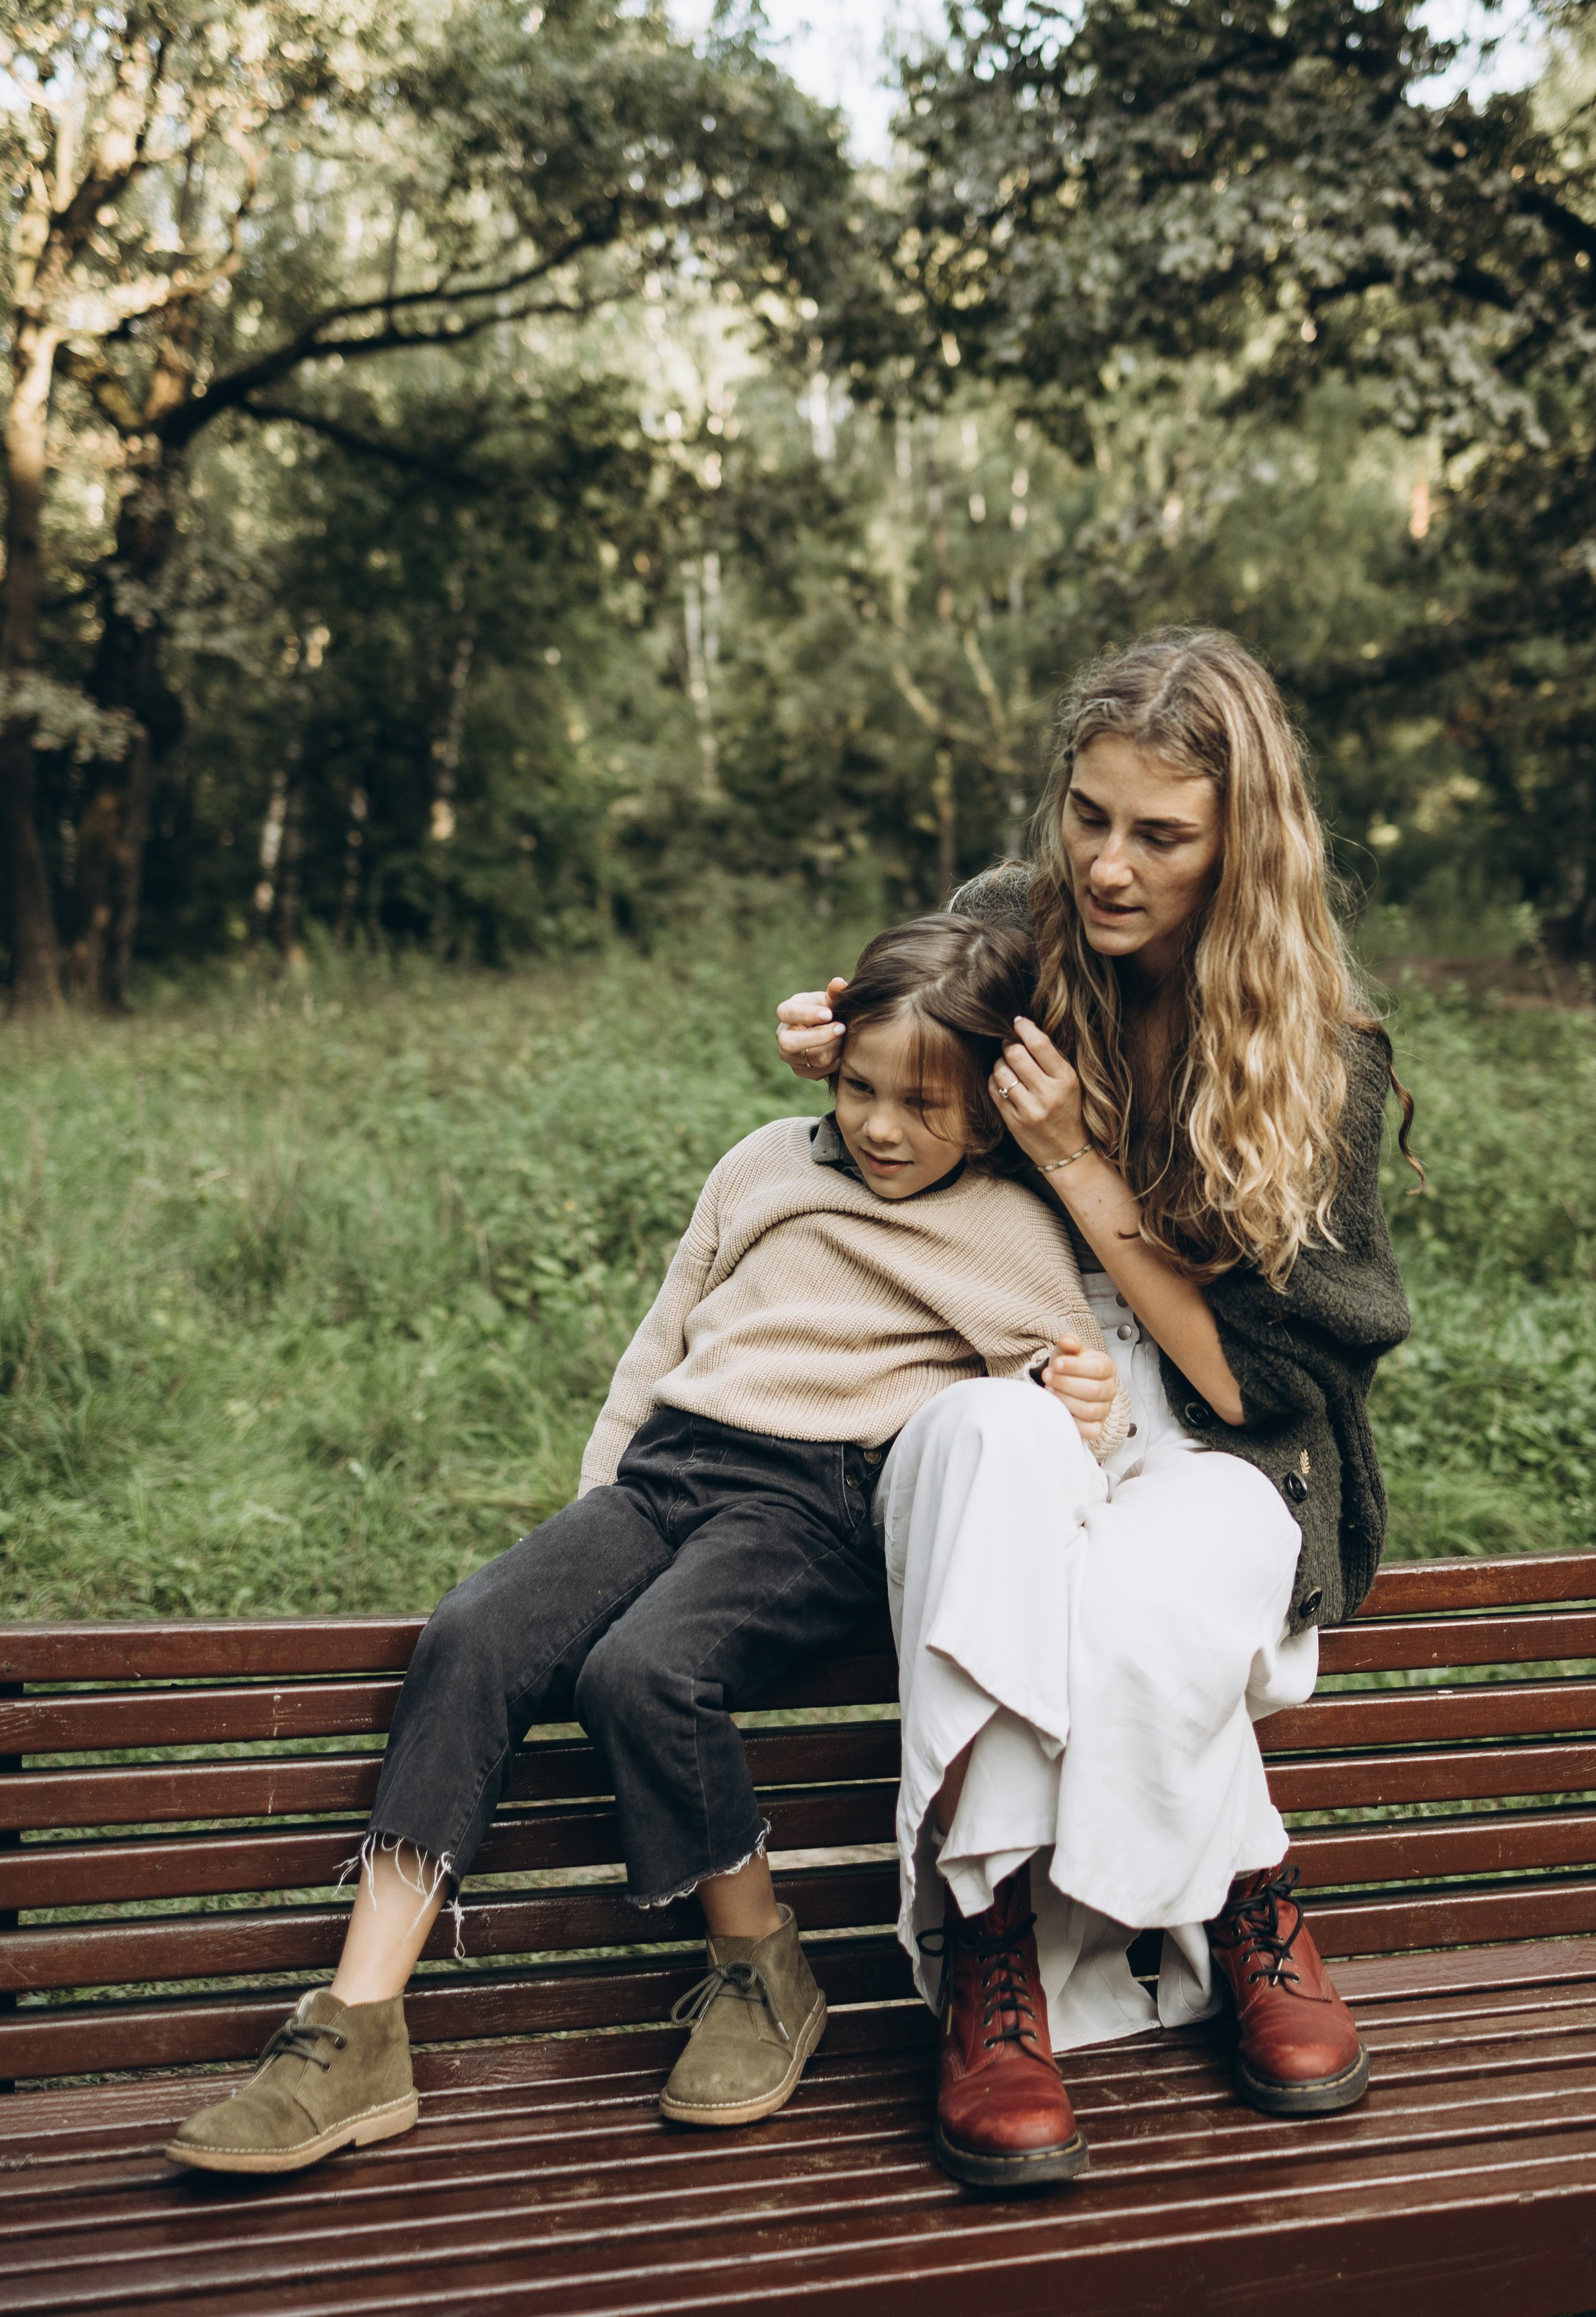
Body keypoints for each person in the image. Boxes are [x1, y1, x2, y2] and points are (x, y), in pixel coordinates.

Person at [168, 916, 1123, 2181]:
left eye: (926, 1105)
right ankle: (355, 2029)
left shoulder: (1012, 1229)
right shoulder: (764, 1165)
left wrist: (1088, 1421)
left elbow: (1049, 1433)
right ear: (825, 1069)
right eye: (861, 1089)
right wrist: (596, 1513)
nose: (884, 1126)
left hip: (821, 1508)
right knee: (480, 1629)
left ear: (994, 1113)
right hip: (671, 1466)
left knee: (644, 1672)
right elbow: (664, 1335)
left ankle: (759, 1971)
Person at [776, 627, 1417, 2191]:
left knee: (1152, 1584)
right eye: (1086, 815)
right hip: (994, 1376)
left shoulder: (1310, 1056)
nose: (1107, 866)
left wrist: (1074, 1156)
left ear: (1238, 844)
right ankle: (1013, 1943)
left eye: (1158, 834)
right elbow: (895, 1101)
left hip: (1213, 1426)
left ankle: (1231, 1891)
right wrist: (849, 1053)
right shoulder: (1012, 928)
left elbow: (1245, 1383)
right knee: (995, 1454)